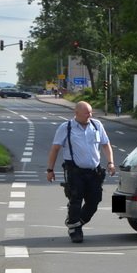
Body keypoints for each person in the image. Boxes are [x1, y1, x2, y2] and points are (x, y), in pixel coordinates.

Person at [45, 101, 115, 243]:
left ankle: (75, 223)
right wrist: (50, 170)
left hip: (94, 171)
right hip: (75, 171)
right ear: (76, 113)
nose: (90, 115)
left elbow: (106, 144)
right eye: (86, 113)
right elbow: (55, 149)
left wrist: (110, 162)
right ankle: (75, 231)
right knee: (76, 199)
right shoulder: (66, 128)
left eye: (90, 112)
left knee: (94, 201)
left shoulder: (96, 125)